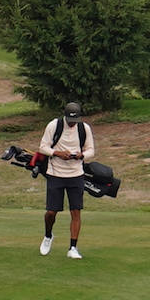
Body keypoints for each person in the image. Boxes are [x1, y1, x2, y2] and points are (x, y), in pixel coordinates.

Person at [38, 101, 95, 259]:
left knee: (76, 211)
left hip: (76, 174)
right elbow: (43, 147)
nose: (72, 124)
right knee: (51, 212)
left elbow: (91, 150)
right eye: (70, 121)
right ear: (65, 117)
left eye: (74, 121)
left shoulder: (84, 129)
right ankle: (48, 235)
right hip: (55, 173)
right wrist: (57, 153)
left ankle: (73, 248)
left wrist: (81, 155)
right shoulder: (53, 126)